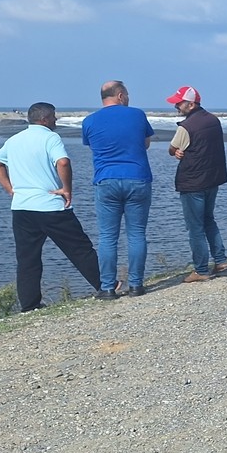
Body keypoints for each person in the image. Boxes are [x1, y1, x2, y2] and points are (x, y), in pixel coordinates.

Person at [0, 102, 104, 310]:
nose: (56, 120)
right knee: (79, 249)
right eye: (53, 117)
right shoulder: (50, 137)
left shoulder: (15, 140)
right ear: (44, 119)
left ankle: (29, 305)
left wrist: (10, 189)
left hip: (22, 207)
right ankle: (106, 286)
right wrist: (66, 188)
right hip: (50, 204)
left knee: (27, 258)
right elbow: (63, 162)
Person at [82, 80, 153, 296]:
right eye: (128, 94)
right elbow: (146, 143)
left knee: (107, 236)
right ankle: (136, 284)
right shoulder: (137, 115)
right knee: (137, 234)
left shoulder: (89, 121)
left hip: (106, 179)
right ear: (120, 95)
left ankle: (107, 287)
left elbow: (93, 146)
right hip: (137, 177)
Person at [166, 86, 227, 283]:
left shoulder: (187, 126)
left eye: (179, 103)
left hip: (193, 181)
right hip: (213, 178)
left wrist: (176, 152)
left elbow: (172, 148)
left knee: (195, 227)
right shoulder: (213, 120)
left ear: (191, 104)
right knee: (209, 219)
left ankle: (201, 269)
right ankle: (220, 260)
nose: (176, 106)